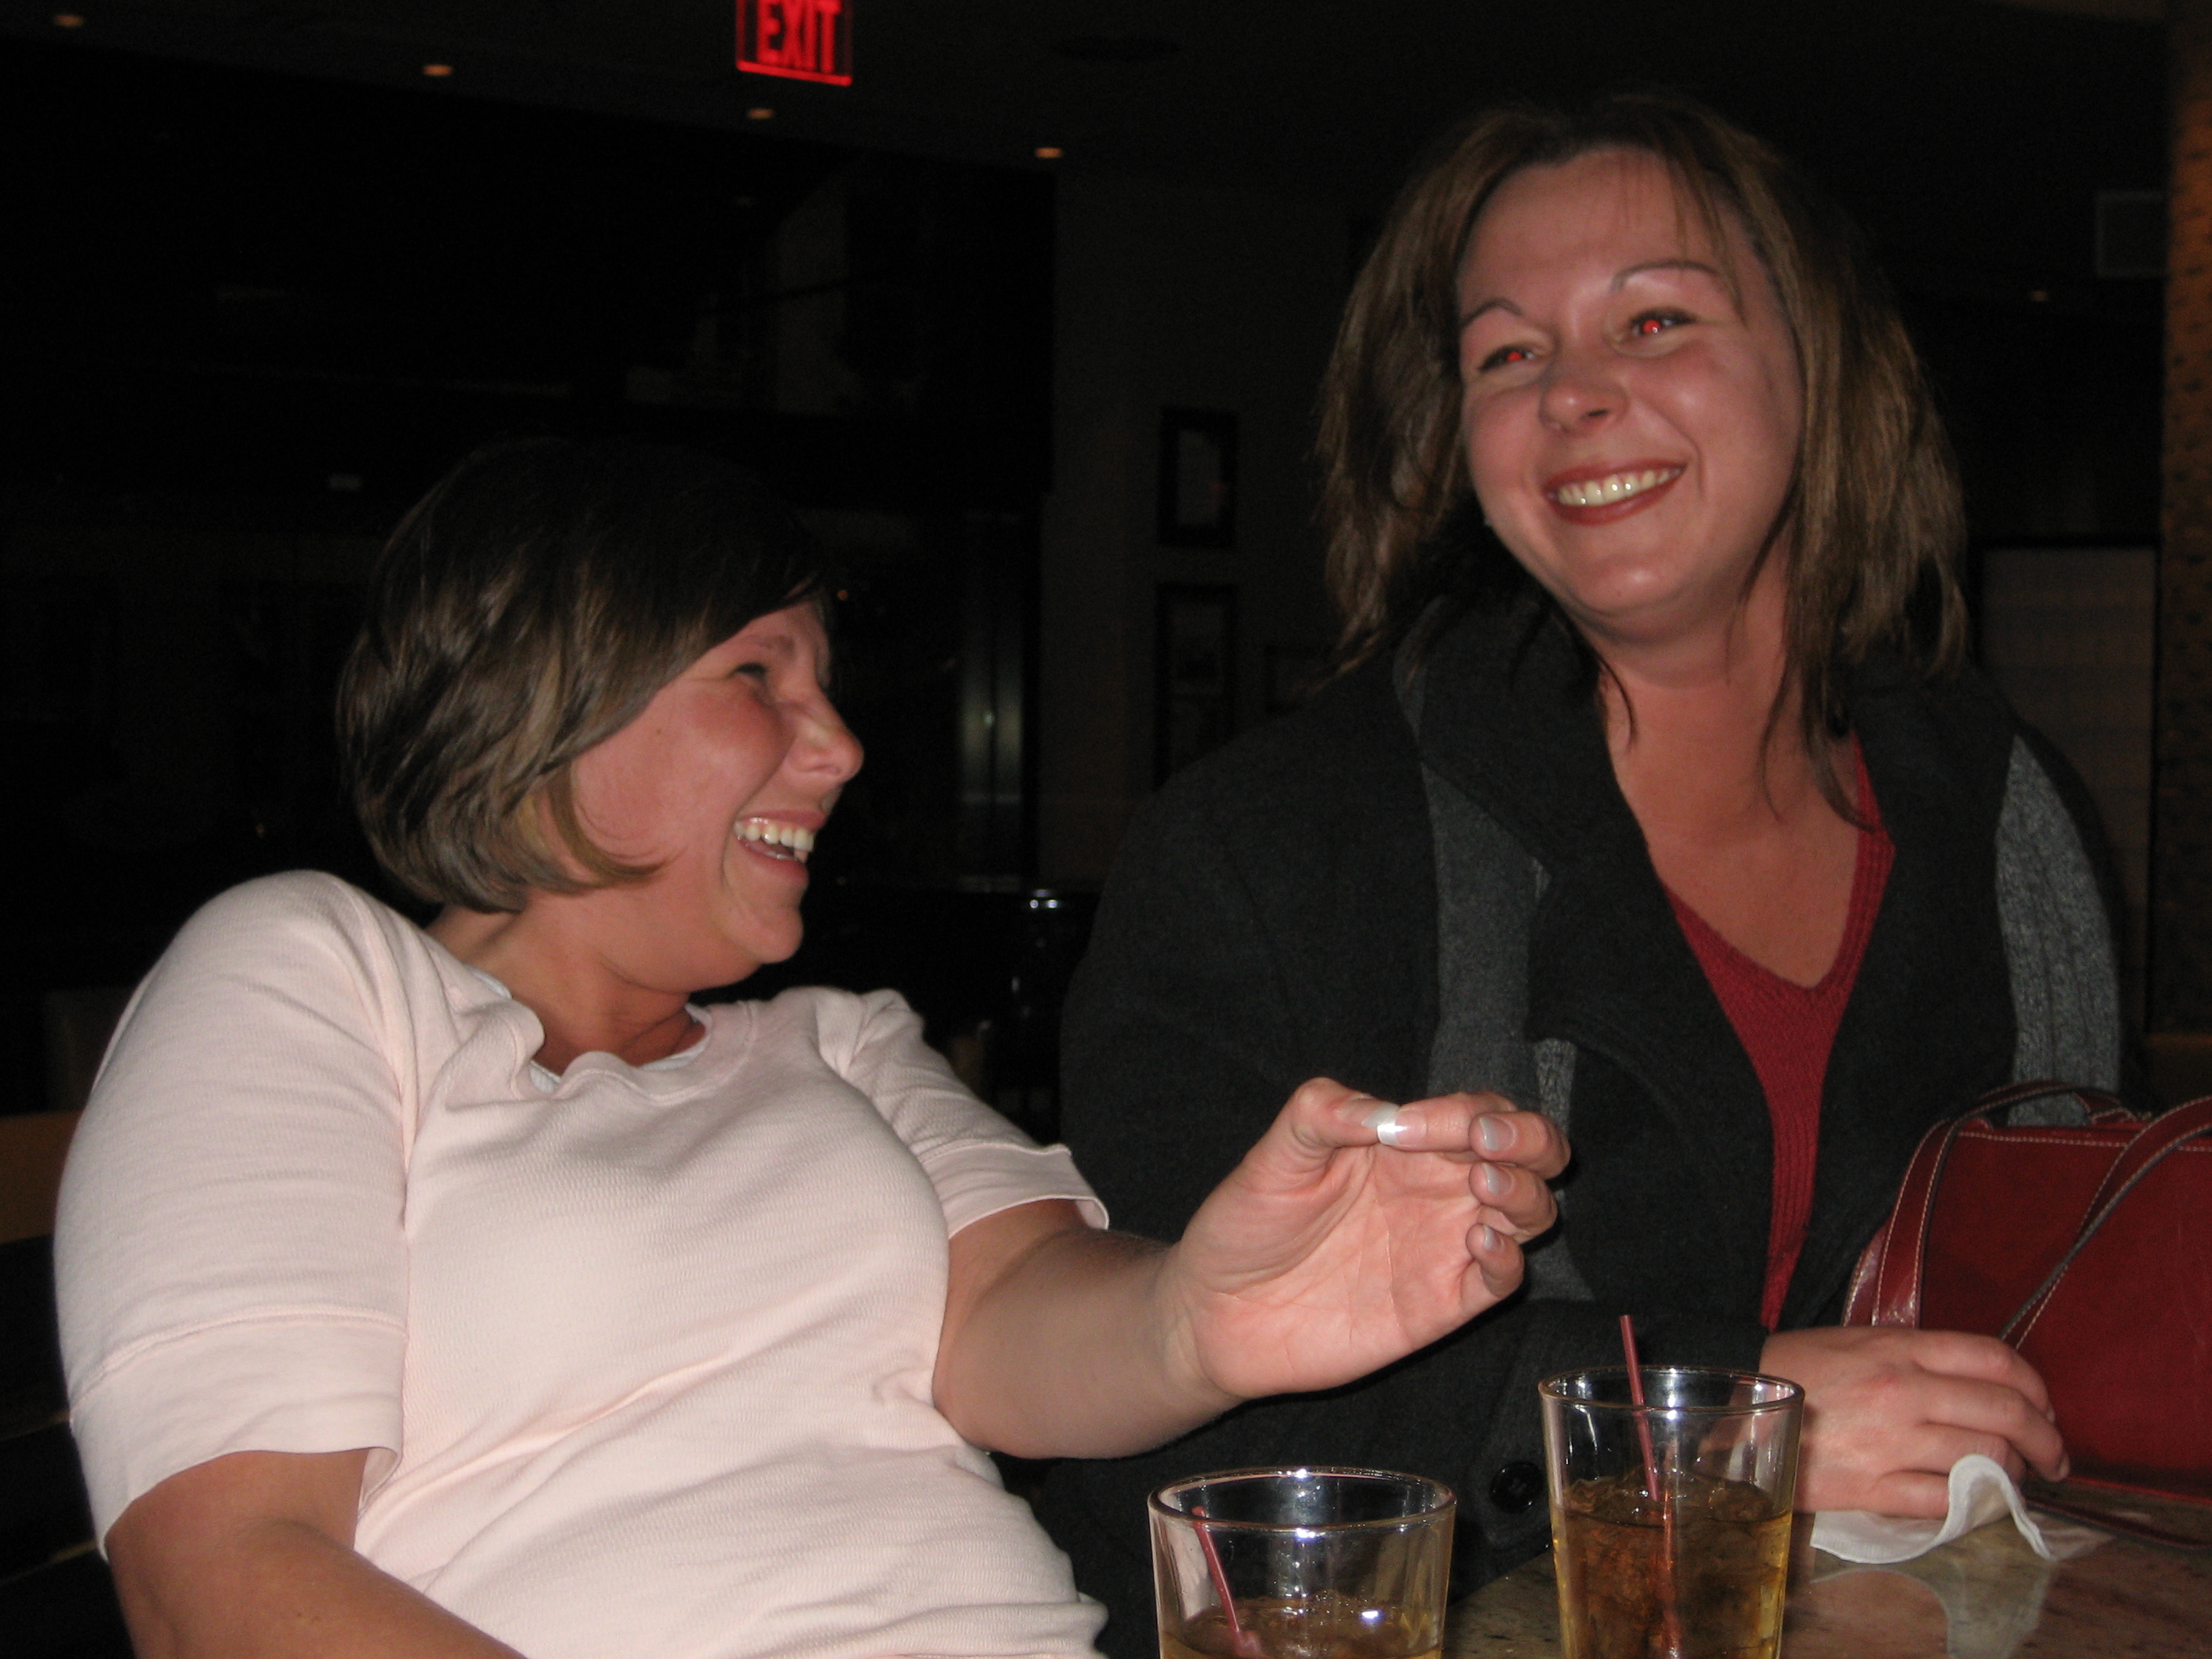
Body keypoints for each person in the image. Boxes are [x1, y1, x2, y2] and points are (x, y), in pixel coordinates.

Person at [54, 439, 1569, 1659]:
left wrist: (1205, 1318)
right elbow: (222, 1580)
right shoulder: (319, 976)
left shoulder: (837, 1041)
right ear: (546, 696)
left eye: (825, 686)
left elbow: (1010, 1324)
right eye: (759, 677)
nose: (838, 746)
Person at [1036, 93, 2122, 1654]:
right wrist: (1728, 1423)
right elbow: (1169, 1430)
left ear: (1819, 365)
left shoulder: (2009, 821)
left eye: (1655, 320)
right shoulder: (1269, 850)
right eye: (1506, 355)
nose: (1572, 395)